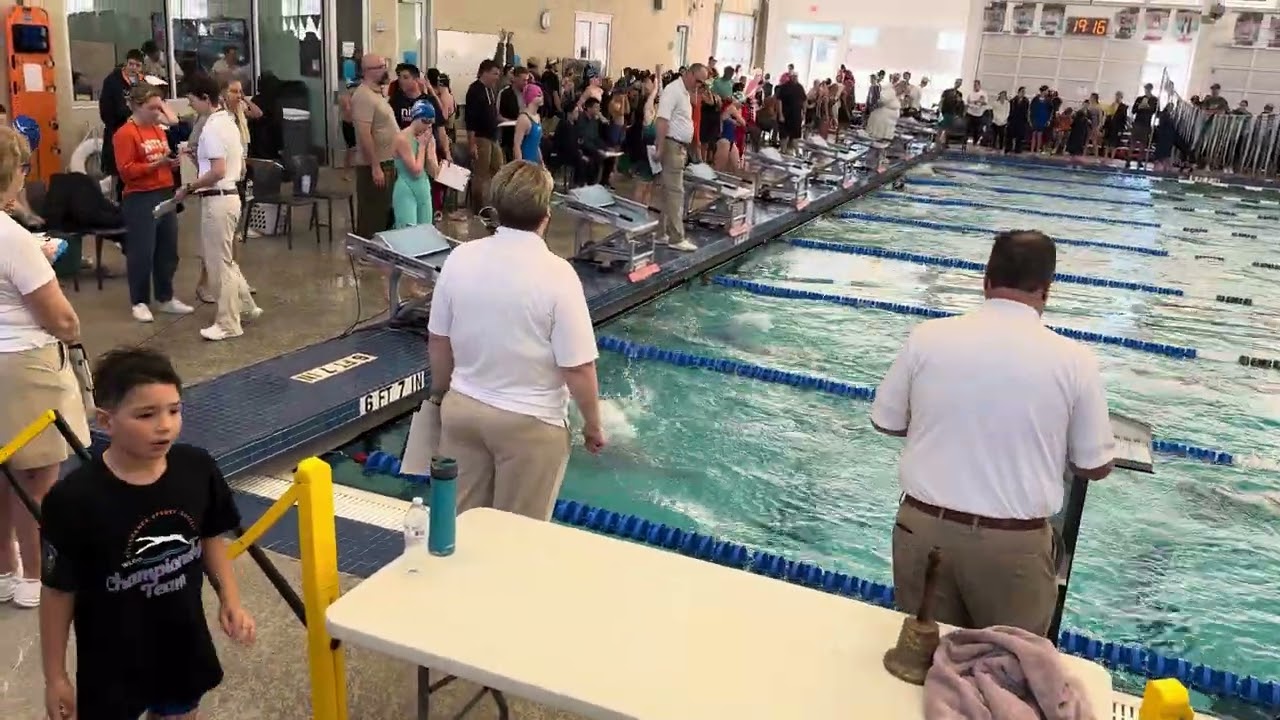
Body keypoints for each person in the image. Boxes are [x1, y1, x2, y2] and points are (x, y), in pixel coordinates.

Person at [870, 231, 1114, 635]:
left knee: (920, 669)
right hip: (1012, 550)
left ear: (985, 278)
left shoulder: (927, 338)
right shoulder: (1075, 360)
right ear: (1047, 289)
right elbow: (1095, 465)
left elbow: (886, 422)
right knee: (1005, 678)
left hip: (923, 532)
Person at [39, 347, 255, 720]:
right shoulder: (73, 499)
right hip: (112, 663)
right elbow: (58, 591)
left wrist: (230, 600)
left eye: (174, 410)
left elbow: (209, 538)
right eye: (146, 414)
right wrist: (55, 676)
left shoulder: (196, 468)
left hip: (182, 644)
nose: (165, 425)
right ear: (106, 422)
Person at [427, 161, 604, 520]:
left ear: (495, 209)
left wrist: (442, 394)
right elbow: (579, 367)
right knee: (515, 543)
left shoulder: (460, 258)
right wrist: (593, 425)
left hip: (463, 414)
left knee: (457, 530)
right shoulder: (558, 275)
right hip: (529, 424)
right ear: (546, 214)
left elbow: (439, 341)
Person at [0, 126, 88, 610]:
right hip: (24, 368)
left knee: (1, 475)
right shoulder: (11, 237)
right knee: (37, 480)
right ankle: (34, 577)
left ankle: (2, 571)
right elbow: (60, 316)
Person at [180, 73, 261, 341]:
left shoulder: (212, 128)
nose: (191, 106)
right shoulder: (228, 122)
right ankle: (246, 307)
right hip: (228, 196)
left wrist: (190, 187)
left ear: (205, 98)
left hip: (217, 197)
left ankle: (228, 323)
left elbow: (217, 170)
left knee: (218, 264)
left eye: (192, 101)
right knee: (225, 259)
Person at [113, 82, 194, 324]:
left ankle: (165, 296)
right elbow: (127, 172)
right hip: (140, 197)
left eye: (159, 107)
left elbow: (162, 155)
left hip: (164, 192)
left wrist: (170, 164)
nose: (157, 113)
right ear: (137, 107)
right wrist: (156, 165)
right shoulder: (124, 134)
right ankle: (139, 301)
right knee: (142, 252)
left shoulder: (157, 130)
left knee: (167, 249)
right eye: (152, 108)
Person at [655, 64, 707, 253]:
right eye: (698, 80)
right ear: (689, 74)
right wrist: (660, 146)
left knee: (668, 192)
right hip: (671, 146)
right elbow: (662, 119)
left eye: (703, 82)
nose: (699, 85)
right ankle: (677, 237)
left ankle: (662, 233)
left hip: (678, 147)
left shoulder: (685, 92)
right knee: (676, 192)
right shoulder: (673, 90)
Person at [352, 53, 399, 238]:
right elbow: (365, 135)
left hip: (387, 161)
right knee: (372, 213)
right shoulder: (363, 96)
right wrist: (375, 167)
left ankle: (379, 251)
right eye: (380, 66)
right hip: (374, 164)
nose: (385, 69)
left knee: (383, 210)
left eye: (385, 64)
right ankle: (366, 252)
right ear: (367, 71)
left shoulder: (377, 94)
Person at [99, 49, 145, 198]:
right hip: (117, 129)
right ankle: (115, 202)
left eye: (137, 65)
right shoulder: (112, 81)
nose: (133, 68)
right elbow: (105, 108)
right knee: (117, 171)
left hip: (139, 132)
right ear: (126, 63)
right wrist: (122, 119)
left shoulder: (143, 83)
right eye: (131, 64)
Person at [391, 100, 441, 228]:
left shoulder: (427, 137)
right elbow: (416, 171)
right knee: (408, 235)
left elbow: (433, 170)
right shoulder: (402, 138)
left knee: (426, 233)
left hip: (423, 188)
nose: (428, 127)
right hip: (406, 190)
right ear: (417, 118)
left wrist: (430, 147)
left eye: (431, 123)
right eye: (426, 122)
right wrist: (423, 146)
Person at [465, 59, 503, 215]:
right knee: (480, 174)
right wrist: (472, 143)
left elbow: (493, 114)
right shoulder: (475, 90)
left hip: (492, 137)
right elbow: (470, 119)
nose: (496, 77)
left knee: (498, 169)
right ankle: (478, 209)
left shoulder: (490, 90)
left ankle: (495, 202)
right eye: (494, 74)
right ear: (484, 72)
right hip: (481, 137)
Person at [1128, 83, 1158, 169]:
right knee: (1133, 143)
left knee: (1143, 144)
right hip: (1138, 123)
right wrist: (1139, 107)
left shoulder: (1154, 100)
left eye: (1148, 89)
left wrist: (1148, 107)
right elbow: (1133, 110)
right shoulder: (1139, 99)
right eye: (1146, 89)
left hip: (1146, 124)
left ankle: (1139, 161)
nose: (1147, 90)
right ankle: (1128, 160)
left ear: (1151, 89)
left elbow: (1155, 111)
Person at [513, 83, 545, 165]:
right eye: (538, 95)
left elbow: (536, 145)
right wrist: (520, 166)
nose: (542, 97)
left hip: (535, 163)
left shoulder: (537, 117)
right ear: (531, 98)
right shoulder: (524, 119)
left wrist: (541, 162)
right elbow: (517, 145)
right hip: (526, 162)